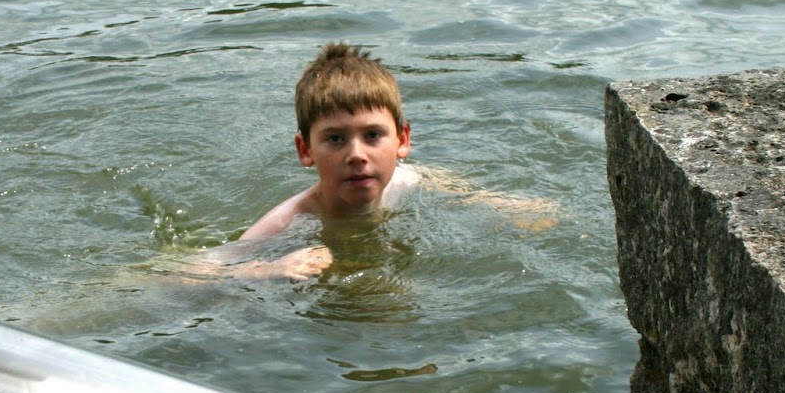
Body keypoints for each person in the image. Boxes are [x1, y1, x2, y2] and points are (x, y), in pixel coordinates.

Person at [189, 42, 557, 281]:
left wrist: (494, 202)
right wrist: (266, 270)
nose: (356, 155)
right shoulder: (289, 222)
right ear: (305, 150)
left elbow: (443, 183)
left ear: (402, 140)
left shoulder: (405, 181)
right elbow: (193, 274)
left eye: (373, 135)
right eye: (335, 139)